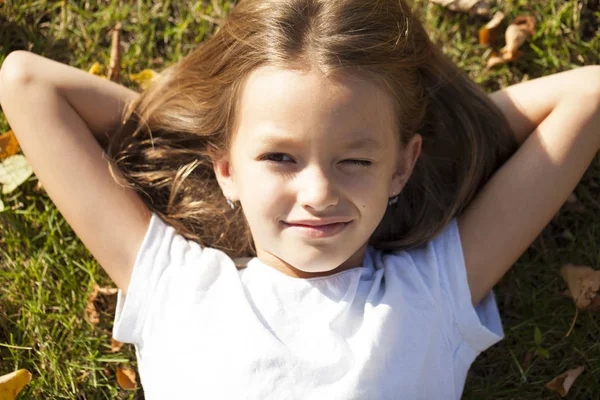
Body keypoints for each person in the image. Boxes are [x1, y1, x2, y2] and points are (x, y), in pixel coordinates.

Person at [0, 0, 599, 398]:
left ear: (401, 167)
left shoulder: (431, 295)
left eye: (356, 160)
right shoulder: (173, 284)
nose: (318, 193)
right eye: (279, 157)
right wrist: (189, 141)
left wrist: (442, 146)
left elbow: (590, 95)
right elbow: (25, 81)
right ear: (227, 169)